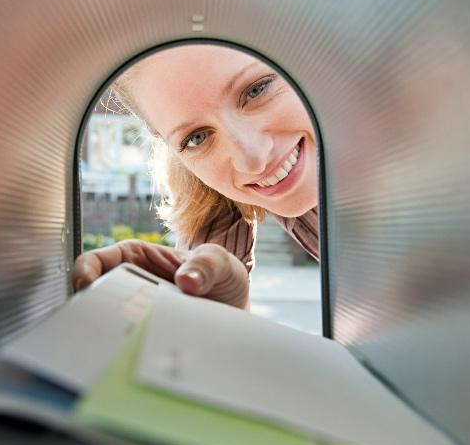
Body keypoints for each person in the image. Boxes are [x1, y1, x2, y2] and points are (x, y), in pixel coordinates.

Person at [72, 44, 319, 308]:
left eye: (256, 90)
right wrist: (216, 311)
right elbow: (209, 324)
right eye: (197, 138)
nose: (253, 161)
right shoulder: (212, 192)